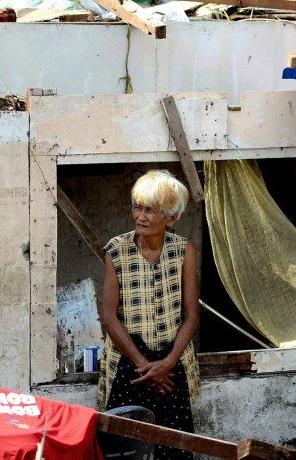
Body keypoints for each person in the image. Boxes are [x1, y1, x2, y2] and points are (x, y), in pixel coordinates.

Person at [97, 170, 201, 459]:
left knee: (174, 449)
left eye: (150, 210)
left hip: (173, 361)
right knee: (125, 449)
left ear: (171, 218)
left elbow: (192, 315)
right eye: (137, 207)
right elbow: (108, 316)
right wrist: (146, 367)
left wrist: (167, 363)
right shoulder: (116, 251)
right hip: (130, 365)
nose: (140, 216)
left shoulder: (184, 251)